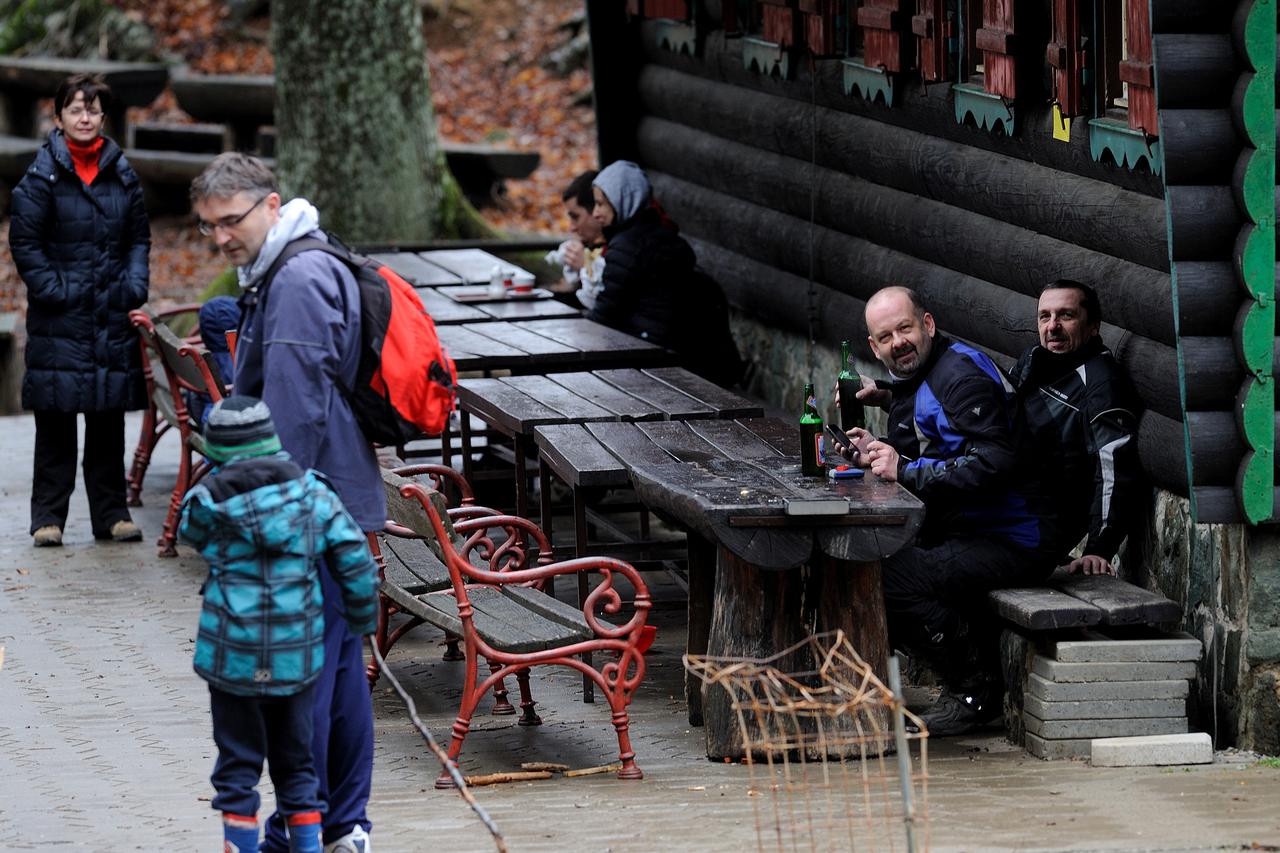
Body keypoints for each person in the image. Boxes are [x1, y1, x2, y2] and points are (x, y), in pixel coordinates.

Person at [190, 152, 383, 853]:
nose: (220, 238)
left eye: (230, 221)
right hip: (329, 498)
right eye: (209, 227)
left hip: (310, 509)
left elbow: (294, 413)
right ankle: (341, 825)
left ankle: (315, 823)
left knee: (317, 679)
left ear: (270, 204)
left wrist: (267, 520)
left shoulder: (298, 277)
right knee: (335, 669)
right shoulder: (285, 267)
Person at [840, 286, 1053, 737]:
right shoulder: (917, 376)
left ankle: (975, 692)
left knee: (886, 578)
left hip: (1015, 535)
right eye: (887, 336)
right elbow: (927, 446)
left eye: (906, 328)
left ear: (928, 325)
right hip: (968, 530)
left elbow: (996, 460)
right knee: (859, 559)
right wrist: (874, 452)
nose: (899, 341)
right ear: (874, 348)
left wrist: (908, 470)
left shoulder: (959, 376)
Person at [179, 396, 378, 853]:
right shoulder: (315, 494)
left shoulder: (207, 501)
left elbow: (190, 533)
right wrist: (362, 618)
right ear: (273, 441)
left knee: (237, 767)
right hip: (296, 657)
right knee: (297, 767)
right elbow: (354, 560)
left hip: (231, 662)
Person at [10, 72, 149, 548]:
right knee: (56, 419)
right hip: (59, 319)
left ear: (103, 118)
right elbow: (25, 242)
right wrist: (54, 289)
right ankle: (48, 518)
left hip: (111, 314)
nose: (85, 117)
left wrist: (134, 284)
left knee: (107, 420)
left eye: (92, 109)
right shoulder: (42, 174)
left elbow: (138, 238)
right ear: (60, 117)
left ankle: (111, 515)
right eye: (76, 109)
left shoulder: (120, 171)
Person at [1009, 280, 1141, 576]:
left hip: (1035, 524)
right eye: (1045, 316)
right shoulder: (1034, 360)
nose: (1052, 326)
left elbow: (1114, 470)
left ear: (1093, 326)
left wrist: (1099, 548)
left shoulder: (1101, 384)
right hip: (1003, 500)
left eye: (1066, 315)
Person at [588, 160, 743, 386]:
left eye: (601, 204)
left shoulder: (627, 246)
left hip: (652, 357)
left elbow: (605, 316)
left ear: (622, 199)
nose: (595, 213)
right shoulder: (663, 236)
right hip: (684, 351)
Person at [545, 169, 605, 307]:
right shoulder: (589, 246)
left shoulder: (620, 250)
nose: (571, 228)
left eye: (575, 217)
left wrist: (587, 267)